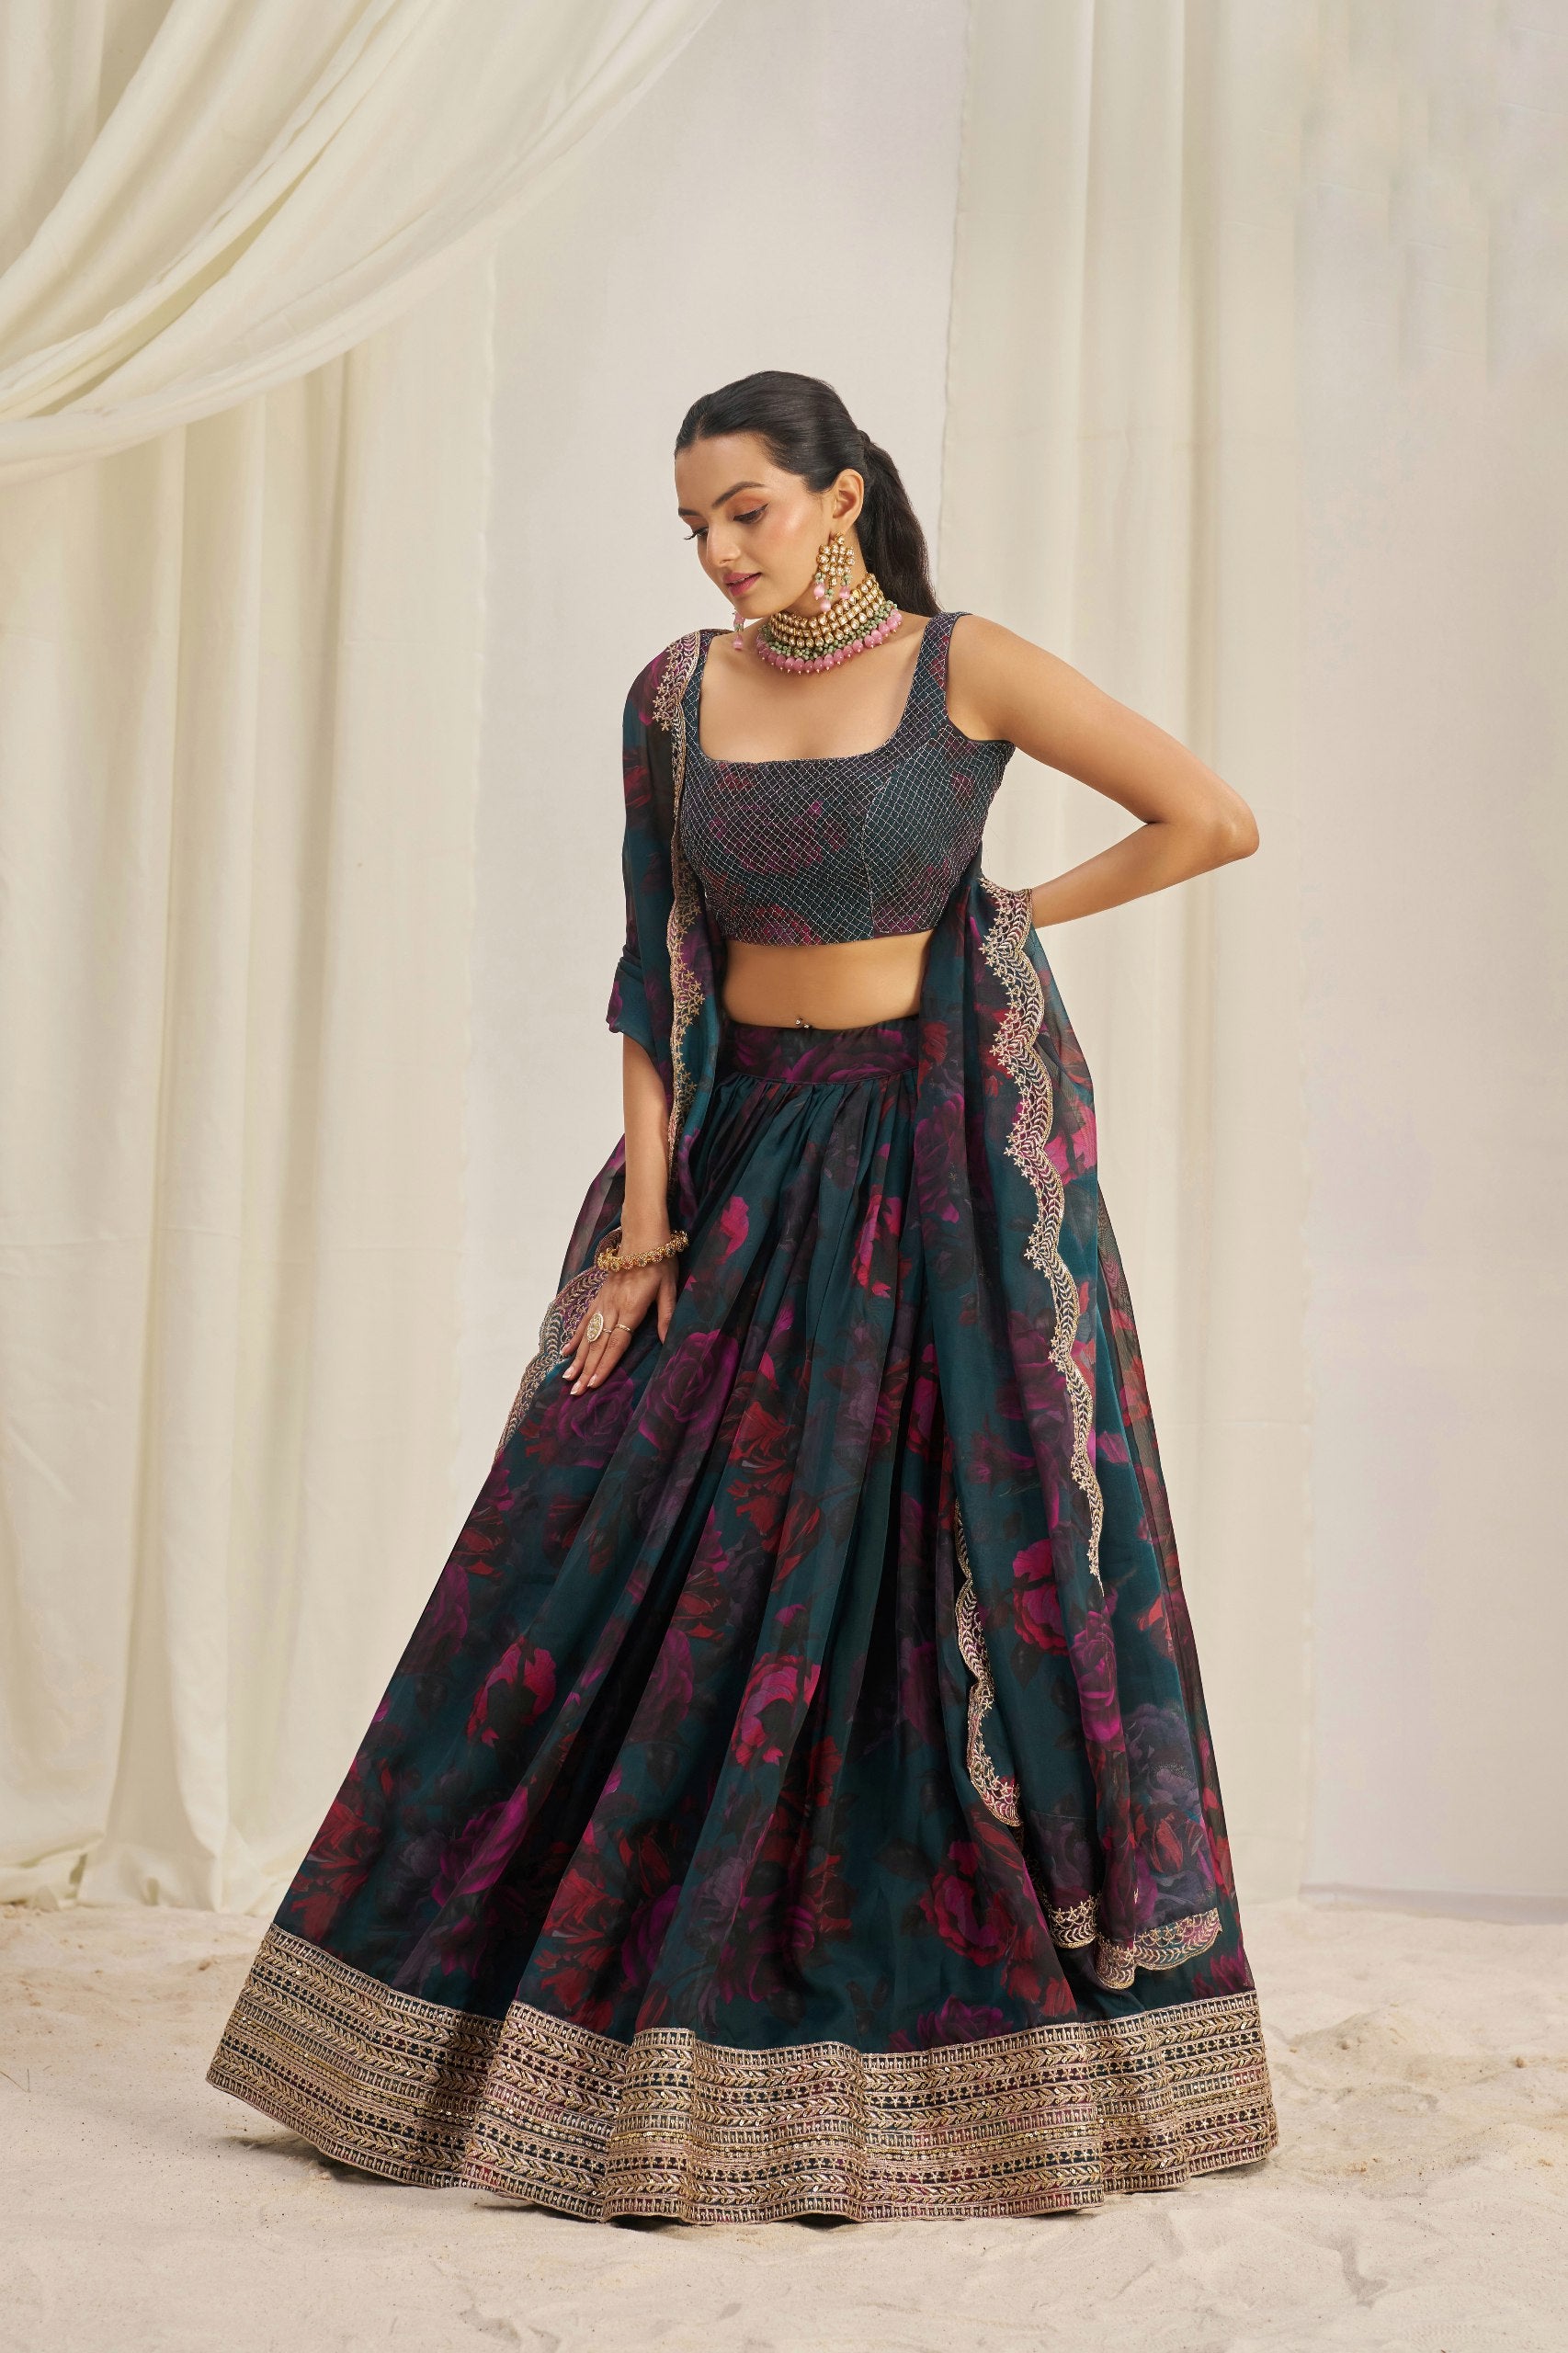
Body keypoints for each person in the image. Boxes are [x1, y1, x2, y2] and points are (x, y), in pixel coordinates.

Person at [209, 369, 1278, 2223]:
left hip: (929, 1165)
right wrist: (640, 1225)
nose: (717, 549)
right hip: (735, 1163)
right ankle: (466, 2016)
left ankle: (888, 2048)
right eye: (694, 523)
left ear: (842, 496)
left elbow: (1207, 816)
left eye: (749, 510)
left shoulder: (969, 667)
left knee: (902, 1572)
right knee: (593, 1544)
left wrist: (1007, 921)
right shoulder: (671, 696)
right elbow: (656, 962)